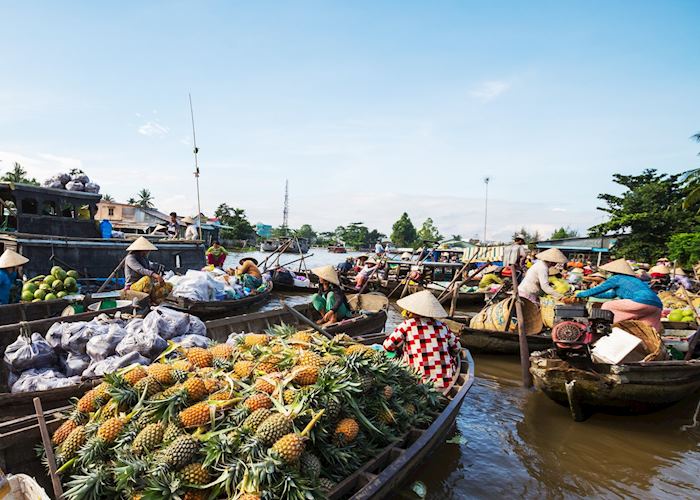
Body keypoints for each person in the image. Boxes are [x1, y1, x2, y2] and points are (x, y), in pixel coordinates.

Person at [383, 290, 460, 389]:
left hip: (417, 383)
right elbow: (457, 348)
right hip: (444, 383)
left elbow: (388, 346)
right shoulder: (442, 326)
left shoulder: (407, 325)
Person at [576, 258, 663, 331]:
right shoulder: (633, 280)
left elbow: (599, 289)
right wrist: (590, 295)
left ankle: (605, 330)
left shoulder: (616, 278)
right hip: (657, 305)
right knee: (649, 330)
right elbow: (610, 295)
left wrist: (580, 294)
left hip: (641, 301)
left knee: (608, 305)